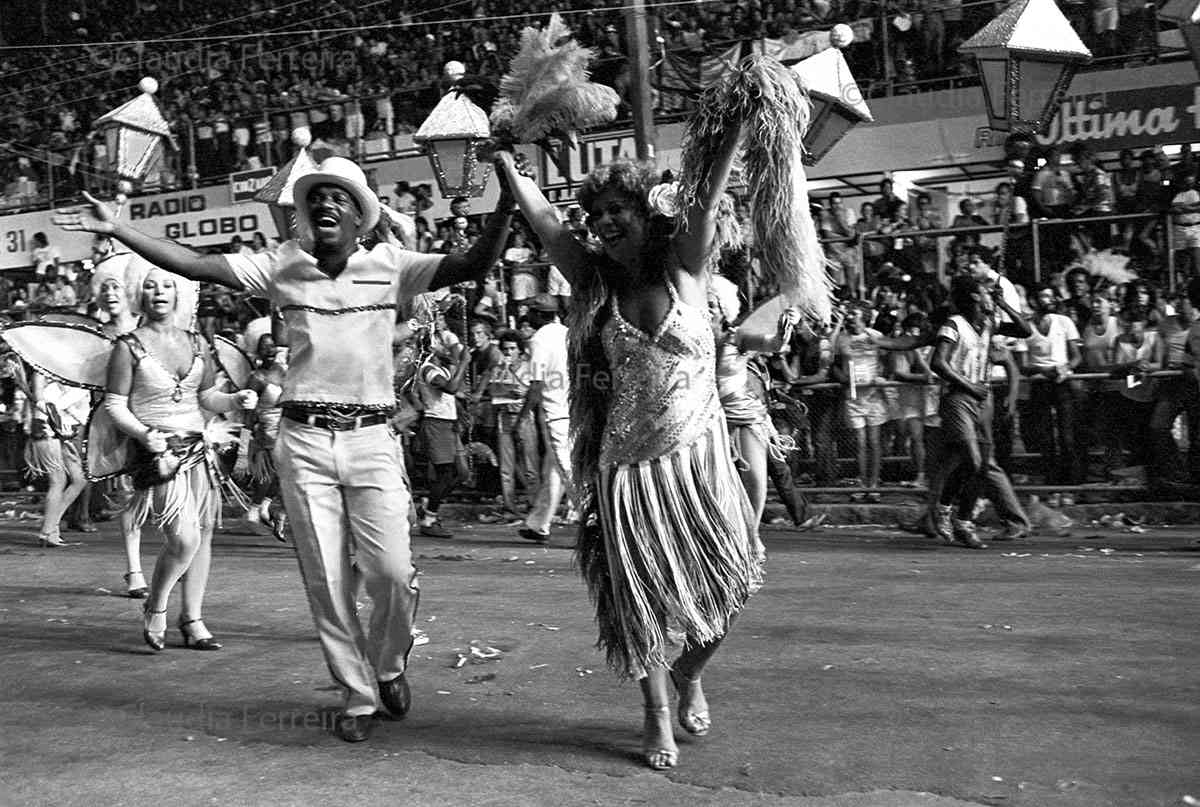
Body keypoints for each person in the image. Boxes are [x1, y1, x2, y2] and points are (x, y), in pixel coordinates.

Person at [54, 154, 517, 743]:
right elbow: (195, 262)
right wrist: (119, 227)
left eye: (338, 198)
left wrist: (504, 204)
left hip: (373, 439)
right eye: (314, 198)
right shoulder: (281, 265)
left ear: (360, 217)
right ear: (302, 215)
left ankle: (391, 663)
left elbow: (476, 261)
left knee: (392, 574)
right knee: (326, 579)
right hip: (303, 441)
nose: (324, 204)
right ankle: (356, 695)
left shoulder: (394, 266)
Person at [493, 57, 818, 763]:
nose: (604, 222)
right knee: (636, 600)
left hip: (700, 458)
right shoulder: (591, 282)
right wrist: (504, 162)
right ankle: (656, 713)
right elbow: (545, 219)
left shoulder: (687, 268)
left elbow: (705, 199)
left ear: (647, 213)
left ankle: (688, 674)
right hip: (625, 471)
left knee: (730, 587)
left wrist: (735, 120)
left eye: (618, 211)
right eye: (597, 215)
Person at [103, 265, 257, 652]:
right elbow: (114, 406)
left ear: (179, 295)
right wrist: (143, 433)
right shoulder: (127, 346)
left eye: (168, 285)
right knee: (184, 539)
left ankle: (193, 620)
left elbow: (205, 399)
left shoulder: (196, 341)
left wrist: (235, 401)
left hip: (198, 449)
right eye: (151, 286)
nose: (159, 292)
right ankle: (156, 606)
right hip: (158, 454)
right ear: (140, 294)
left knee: (203, 535)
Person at [928, 275, 1032, 548]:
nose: (991, 295)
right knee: (973, 461)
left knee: (981, 465)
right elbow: (937, 362)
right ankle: (955, 516)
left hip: (982, 401)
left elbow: (1024, 330)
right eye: (987, 292)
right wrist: (969, 385)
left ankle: (953, 514)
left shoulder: (989, 323)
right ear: (975, 297)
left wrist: (1004, 305)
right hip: (959, 398)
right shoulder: (954, 325)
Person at [515, 293, 572, 544]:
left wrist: (520, 419)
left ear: (539, 315)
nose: (527, 317)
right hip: (572, 411)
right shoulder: (566, 333)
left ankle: (601, 521)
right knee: (555, 471)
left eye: (530, 312)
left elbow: (536, 385)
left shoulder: (539, 340)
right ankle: (538, 524)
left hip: (554, 413)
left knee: (567, 471)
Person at [415, 330, 469, 538]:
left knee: (461, 473)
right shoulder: (428, 369)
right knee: (445, 473)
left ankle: (430, 503)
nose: (448, 348)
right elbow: (451, 389)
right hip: (436, 423)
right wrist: (463, 363)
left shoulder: (442, 368)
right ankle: (429, 519)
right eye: (443, 344)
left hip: (448, 424)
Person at [244, 333, 287, 541]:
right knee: (269, 473)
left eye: (272, 346)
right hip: (268, 428)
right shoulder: (256, 377)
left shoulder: (285, 371)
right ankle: (253, 511)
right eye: (264, 347)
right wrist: (246, 441)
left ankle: (265, 507)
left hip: (288, 425)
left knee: (285, 474)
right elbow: (249, 410)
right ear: (258, 351)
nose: (269, 350)